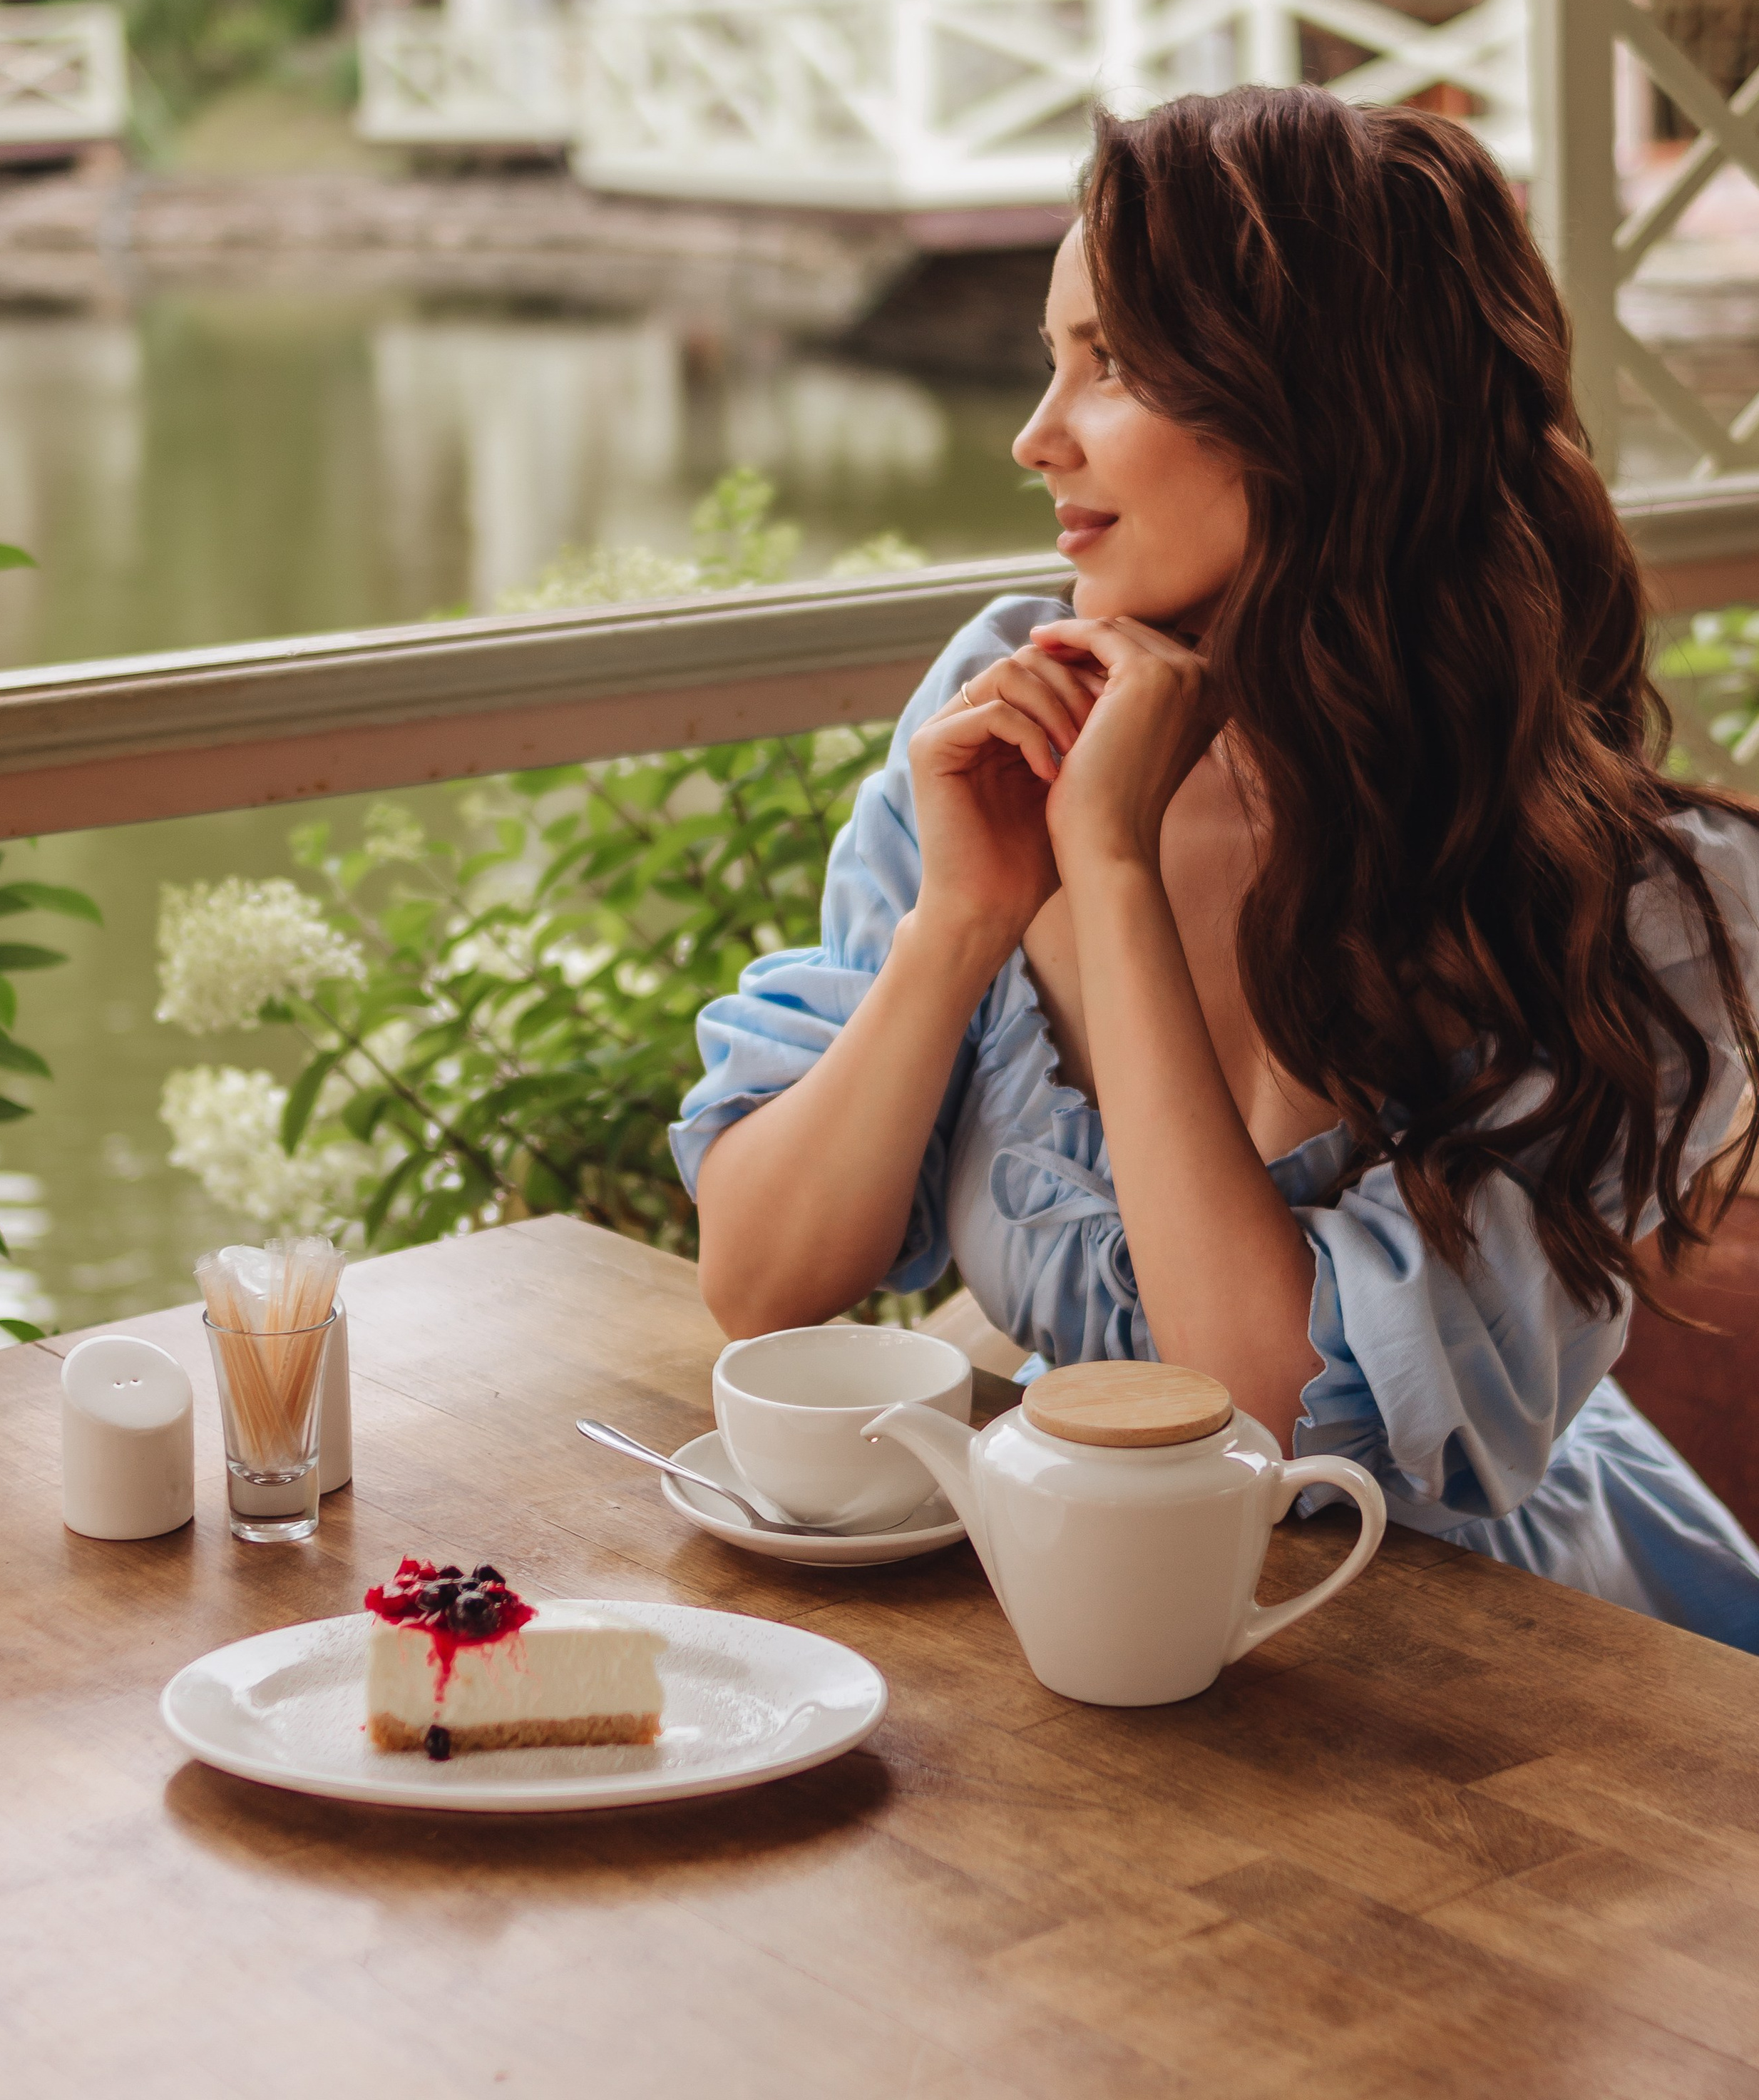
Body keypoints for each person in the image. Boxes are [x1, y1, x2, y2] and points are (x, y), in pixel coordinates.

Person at [671, 86, 1759, 1646]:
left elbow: (1263, 1421)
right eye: (1052, 358)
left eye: (1111, 363)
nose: (1034, 436)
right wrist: (964, 917)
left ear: (1327, 404)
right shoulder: (1010, 705)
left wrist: (1106, 868)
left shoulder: (1641, 903)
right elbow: (763, 1277)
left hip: (1479, 1657)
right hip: (1093, 1596)